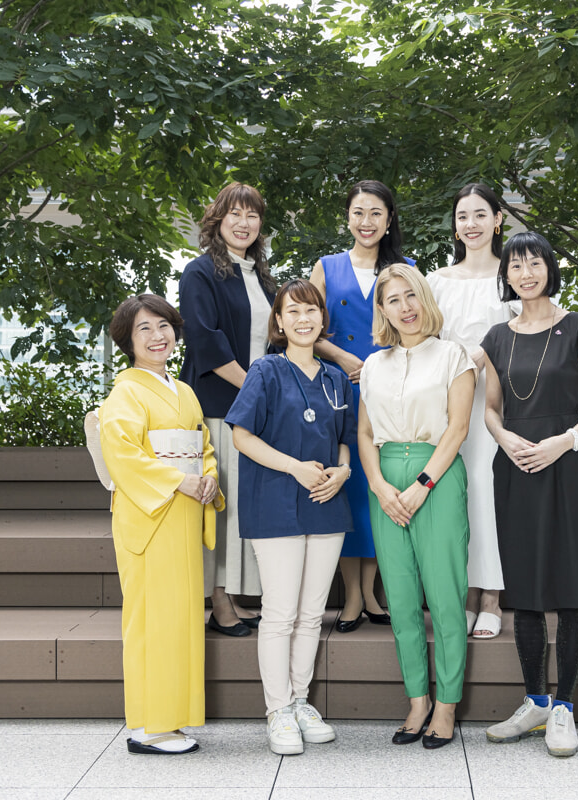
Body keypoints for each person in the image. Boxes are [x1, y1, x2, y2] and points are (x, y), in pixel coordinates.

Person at [479, 232, 578, 758]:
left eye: (534, 263)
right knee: (525, 588)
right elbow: (492, 409)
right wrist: (503, 437)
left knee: (570, 586)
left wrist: (566, 440)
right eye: (515, 266)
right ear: (506, 276)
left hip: (566, 463)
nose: (526, 273)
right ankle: (535, 701)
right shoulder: (497, 336)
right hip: (516, 467)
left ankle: (564, 707)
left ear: (549, 269)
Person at [225, 279, 355, 755]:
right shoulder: (265, 371)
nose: (303, 319)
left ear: (323, 319)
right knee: (280, 613)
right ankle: (277, 710)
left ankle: (300, 702)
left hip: (326, 503)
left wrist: (343, 471)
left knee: (312, 614)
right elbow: (241, 436)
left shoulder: (335, 378)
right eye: (293, 312)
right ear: (279, 321)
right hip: (275, 501)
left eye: (311, 310)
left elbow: (344, 438)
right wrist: (294, 468)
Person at [98, 294, 223, 755]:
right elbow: (123, 455)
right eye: (144, 329)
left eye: (164, 326)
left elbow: (203, 445)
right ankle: (148, 726)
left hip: (182, 514)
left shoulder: (184, 391)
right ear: (127, 340)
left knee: (180, 620)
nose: (157, 336)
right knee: (152, 620)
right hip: (150, 517)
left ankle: (169, 719)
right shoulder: (126, 392)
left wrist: (208, 476)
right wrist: (180, 480)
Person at [358, 264, 475, 749]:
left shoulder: (453, 355)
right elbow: (365, 432)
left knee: (445, 596)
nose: (405, 307)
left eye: (411, 296)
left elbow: (458, 428)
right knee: (401, 598)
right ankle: (417, 701)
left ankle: (446, 705)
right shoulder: (372, 365)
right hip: (385, 477)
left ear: (424, 298)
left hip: (437, 475)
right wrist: (379, 485)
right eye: (393, 300)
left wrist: (423, 483)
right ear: (382, 310)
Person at [310, 180, 412, 632]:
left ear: (389, 221)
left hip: (389, 391)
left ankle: (371, 591)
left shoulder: (406, 270)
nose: (366, 221)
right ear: (347, 218)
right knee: (348, 487)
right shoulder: (326, 267)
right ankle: (352, 595)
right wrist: (343, 357)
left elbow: (417, 327)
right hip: (338, 389)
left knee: (379, 486)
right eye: (358, 212)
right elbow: (306, 325)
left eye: (376, 213)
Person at [179, 182, 276, 636]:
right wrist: (256, 389)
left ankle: (233, 591)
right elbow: (206, 341)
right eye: (234, 213)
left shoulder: (262, 276)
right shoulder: (199, 273)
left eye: (252, 215)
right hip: (218, 407)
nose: (243, 222)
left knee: (241, 503)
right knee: (218, 504)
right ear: (217, 220)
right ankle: (217, 600)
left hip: (255, 407)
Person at [427, 182, 514, 640]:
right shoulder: (436, 281)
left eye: (481, 214)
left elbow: (528, 331)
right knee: (451, 494)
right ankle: (458, 593)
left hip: (493, 402)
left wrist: (483, 356)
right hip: (445, 401)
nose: (471, 224)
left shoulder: (513, 275)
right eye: (463, 216)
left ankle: (491, 595)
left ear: (497, 220)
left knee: (484, 489)